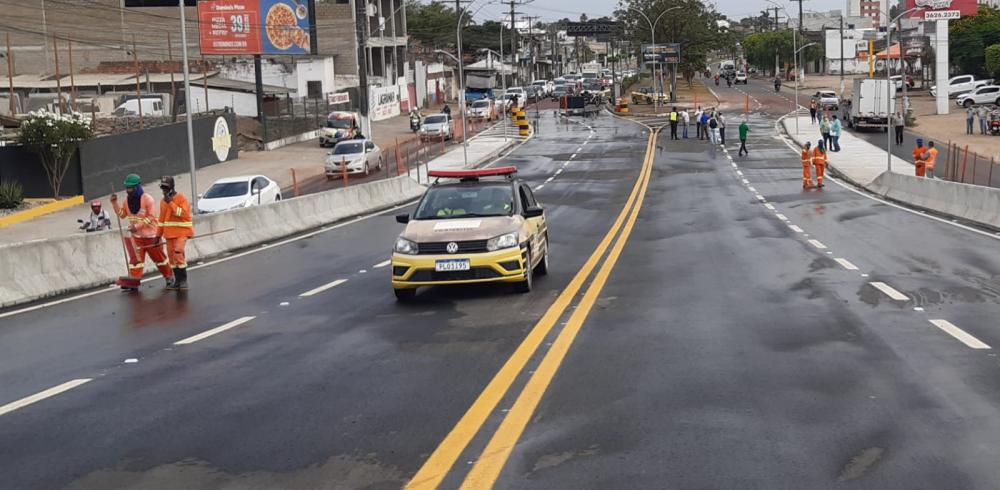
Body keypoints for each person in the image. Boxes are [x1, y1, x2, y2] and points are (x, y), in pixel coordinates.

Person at [109, 174, 174, 289]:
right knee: (136, 262)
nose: (128, 191)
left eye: (130, 188)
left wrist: (137, 226)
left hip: (152, 237)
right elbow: (122, 215)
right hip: (137, 238)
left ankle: (169, 276)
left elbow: (151, 217)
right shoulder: (126, 202)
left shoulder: (148, 199)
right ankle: (134, 281)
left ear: (137, 187)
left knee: (160, 260)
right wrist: (114, 203)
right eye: (127, 188)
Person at [156, 176, 194, 290]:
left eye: (166, 187)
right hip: (169, 235)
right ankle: (177, 281)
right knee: (172, 258)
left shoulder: (181, 198)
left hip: (182, 232)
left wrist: (171, 203)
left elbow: (183, 213)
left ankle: (183, 281)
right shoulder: (163, 202)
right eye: (162, 187)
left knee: (178, 254)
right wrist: (158, 236)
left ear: (172, 187)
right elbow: (161, 220)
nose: (164, 190)